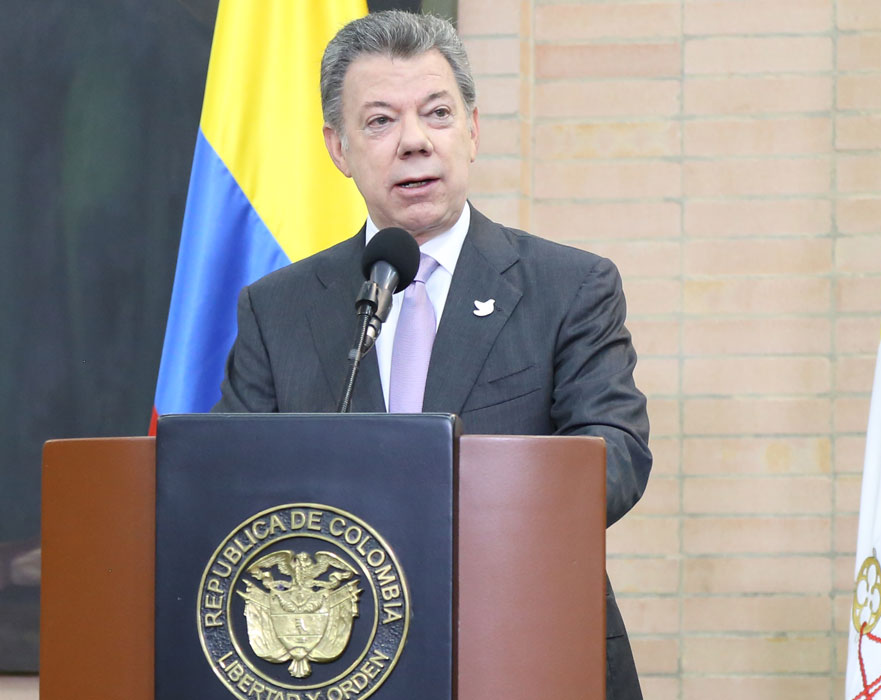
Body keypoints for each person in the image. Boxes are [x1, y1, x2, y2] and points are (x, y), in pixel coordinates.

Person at [213, 10, 651, 700]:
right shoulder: (278, 308)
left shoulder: (569, 287)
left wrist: (467, 504)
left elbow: (617, 454)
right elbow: (229, 482)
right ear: (338, 147)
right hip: (338, 661)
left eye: (437, 113)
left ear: (472, 130)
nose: (414, 141)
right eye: (380, 121)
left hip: (525, 644)